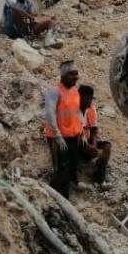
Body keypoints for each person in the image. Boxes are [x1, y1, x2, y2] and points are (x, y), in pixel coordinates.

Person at [44, 61, 84, 199]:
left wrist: (80, 131)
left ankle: (64, 195)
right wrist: (57, 135)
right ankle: (50, 196)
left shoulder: (74, 91)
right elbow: (50, 114)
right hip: (58, 137)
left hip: (73, 136)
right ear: (64, 76)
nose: (76, 77)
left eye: (76, 74)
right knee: (61, 169)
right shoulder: (54, 92)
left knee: (71, 166)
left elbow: (77, 113)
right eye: (72, 75)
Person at [78, 84, 111, 186]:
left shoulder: (91, 109)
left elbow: (94, 129)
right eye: (87, 99)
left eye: (90, 99)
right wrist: (88, 147)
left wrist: (94, 144)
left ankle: (99, 179)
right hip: (75, 141)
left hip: (87, 140)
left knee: (107, 146)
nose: (89, 102)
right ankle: (75, 179)